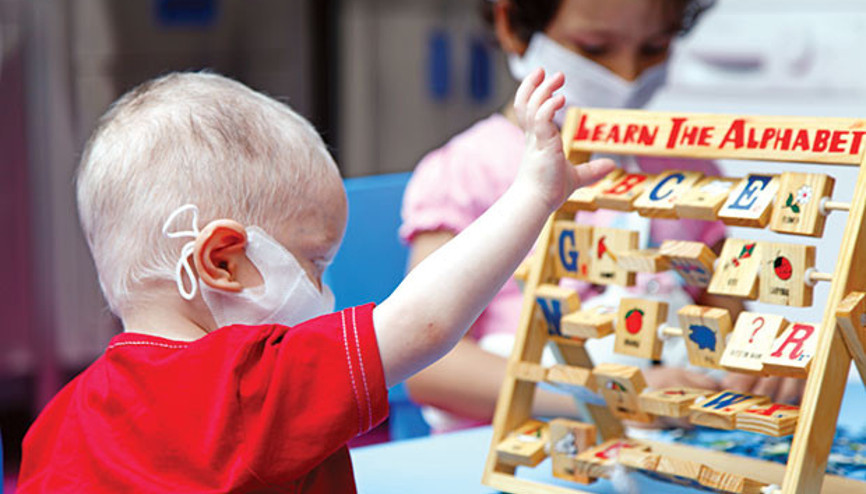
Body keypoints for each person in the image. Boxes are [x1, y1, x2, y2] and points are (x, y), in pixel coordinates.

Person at [16, 70, 614, 492]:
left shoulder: (58, 421)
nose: (325, 292)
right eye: (314, 263)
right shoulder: (251, 382)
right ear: (221, 261)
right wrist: (534, 195)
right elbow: (423, 323)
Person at [401, 0, 802, 433]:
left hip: (664, 447)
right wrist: (601, 394)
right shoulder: (468, 171)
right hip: (515, 444)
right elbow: (427, 365)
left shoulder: (687, 170)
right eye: (594, 48)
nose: (626, 75)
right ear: (512, 26)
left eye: (654, 47)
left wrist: (762, 365)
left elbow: (733, 329)